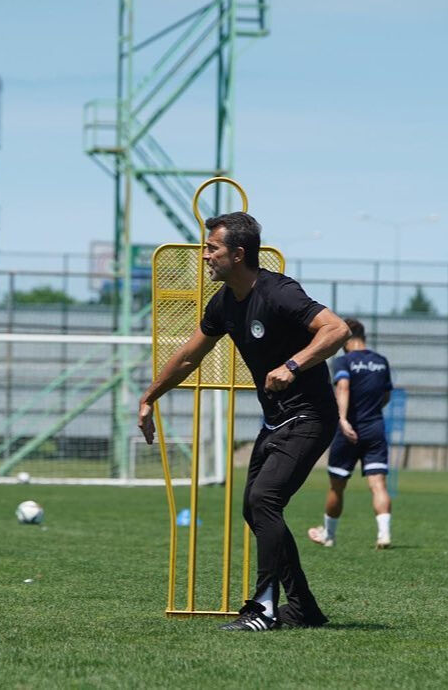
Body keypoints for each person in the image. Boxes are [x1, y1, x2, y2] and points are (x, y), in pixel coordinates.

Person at [138, 212, 351, 632]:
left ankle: (263, 609)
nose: (205, 256)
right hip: (276, 421)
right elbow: (187, 357)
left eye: (212, 249)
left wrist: (294, 364)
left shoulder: (279, 293)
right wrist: (149, 397)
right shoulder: (223, 304)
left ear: (237, 254)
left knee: (264, 502)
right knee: (256, 509)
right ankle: (303, 607)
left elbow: (337, 330)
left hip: (310, 416)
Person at [307, 318, 393, 550]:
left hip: (349, 430)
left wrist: (343, 419)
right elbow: (386, 396)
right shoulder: (381, 362)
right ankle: (384, 534)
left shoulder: (344, 360)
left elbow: (342, 386)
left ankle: (329, 535)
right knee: (378, 485)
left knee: (337, 486)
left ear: (347, 337)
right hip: (375, 427)